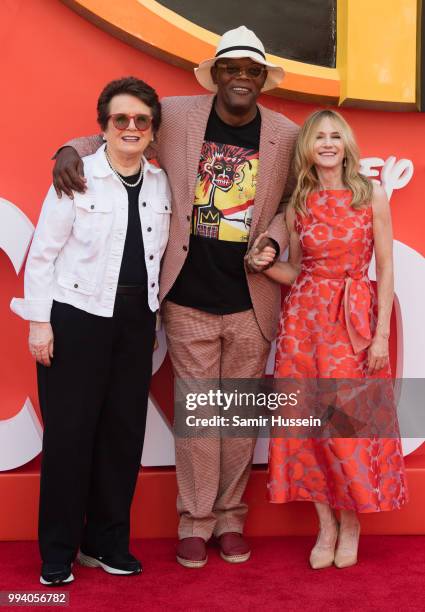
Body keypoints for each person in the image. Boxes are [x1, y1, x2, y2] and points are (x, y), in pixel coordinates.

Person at [51, 26, 299, 567]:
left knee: (234, 420)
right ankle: (195, 521)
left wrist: (275, 239)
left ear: (262, 79)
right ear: (216, 75)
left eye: (250, 70)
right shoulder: (179, 115)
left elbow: (291, 203)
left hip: (252, 302)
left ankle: (231, 518)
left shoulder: (286, 133)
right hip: (186, 296)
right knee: (198, 418)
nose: (240, 77)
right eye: (230, 68)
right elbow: (120, 132)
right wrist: (68, 149)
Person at [11, 77, 170, 585]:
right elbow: (43, 254)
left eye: (140, 120)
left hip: (135, 322)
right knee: (70, 437)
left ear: (152, 130)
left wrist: (146, 323)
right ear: (103, 126)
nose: (130, 127)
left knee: (123, 437)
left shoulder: (163, 183)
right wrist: (40, 325)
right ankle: (58, 551)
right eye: (120, 119)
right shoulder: (76, 174)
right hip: (75, 317)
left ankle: (106, 544)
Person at [264, 109, 408, 569]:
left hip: (352, 323)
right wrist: (263, 265)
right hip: (303, 321)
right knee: (306, 427)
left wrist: (381, 333)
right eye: (318, 137)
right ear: (307, 146)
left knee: (344, 427)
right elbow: (298, 269)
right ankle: (325, 526)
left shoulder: (372, 194)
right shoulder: (298, 204)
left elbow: (385, 270)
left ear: (346, 144)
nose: (327, 143)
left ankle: (352, 524)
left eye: (335, 136)